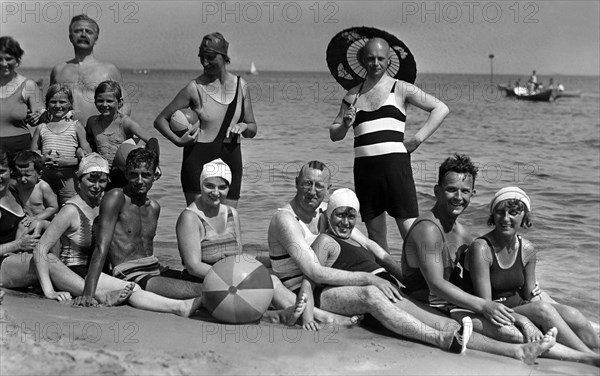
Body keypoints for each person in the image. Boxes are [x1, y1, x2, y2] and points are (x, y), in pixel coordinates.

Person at [268, 160, 557, 363]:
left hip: (337, 284)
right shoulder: (286, 219)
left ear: (327, 190)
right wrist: (372, 278)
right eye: (307, 183)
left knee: (436, 317)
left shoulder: (328, 213)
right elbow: (311, 270)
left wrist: (403, 278)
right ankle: (444, 341)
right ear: (296, 183)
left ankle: (522, 351)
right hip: (309, 290)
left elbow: (372, 246)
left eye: (320, 185)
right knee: (378, 297)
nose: (313, 190)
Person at [400, 154, 599, 366]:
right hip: (435, 308)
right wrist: (486, 306)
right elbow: (436, 285)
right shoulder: (428, 230)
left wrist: (528, 285)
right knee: (525, 325)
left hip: (460, 302)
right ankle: (588, 358)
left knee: (570, 315)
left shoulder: (461, 231)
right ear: (437, 191)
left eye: (465, 191)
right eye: (451, 189)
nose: (458, 197)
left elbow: (487, 261)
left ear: (473, 194)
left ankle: (591, 346)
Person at [329, 37, 449, 252]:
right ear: (363, 60)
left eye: (380, 58)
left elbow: (440, 108)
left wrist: (417, 139)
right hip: (365, 171)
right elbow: (334, 134)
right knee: (375, 234)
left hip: (396, 167)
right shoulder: (352, 96)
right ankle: (388, 280)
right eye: (370, 58)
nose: (375, 63)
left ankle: (422, 280)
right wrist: (346, 124)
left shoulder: (401, 88)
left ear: (388, 60)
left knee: (410, 230)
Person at [461, 187, 599, 352]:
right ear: (493, 215)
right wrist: (523, 320)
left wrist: (538, 293)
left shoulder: (527, 249)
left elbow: (528, 295)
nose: (505, 219)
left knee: (573, 315)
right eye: (500, 212)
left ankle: (595, 347)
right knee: (543, 309)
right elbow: (487, 305)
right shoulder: (481, 248)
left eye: (513, 212)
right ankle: (589, 356)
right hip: (495, 310)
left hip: (521, 304)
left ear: (524, 215)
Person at [154, 32, 257, 208]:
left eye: (210, 57)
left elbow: (252, 129)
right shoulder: (194, 88)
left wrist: (243, 125)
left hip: (231, 158)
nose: (204, 62)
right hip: (197, 158)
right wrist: (178, 141)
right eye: (202, 57)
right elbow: (160, 120)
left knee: (228, 222)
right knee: (197, 221)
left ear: (224, 57)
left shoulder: (241, 86)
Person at [50, 15, 130, 128]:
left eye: (88, 31)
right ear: (70, 37)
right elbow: (50, 103)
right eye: (78, 31)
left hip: (99, 137)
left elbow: (125, 106)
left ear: (96, 38)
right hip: (66, 138)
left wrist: (109, 132)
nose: (83, 34)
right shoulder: (59, 70)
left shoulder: (109, 70)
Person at [86, 80, 159, 190]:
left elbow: (152, 140)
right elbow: (87, 141)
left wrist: (154, 165)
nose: (104, 105)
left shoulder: (125, 122)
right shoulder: (92, 122)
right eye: (100, 100)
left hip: (123, 173)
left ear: (120, 102)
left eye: (109, 101)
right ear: (95, 101)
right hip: (102, 173)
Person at [31, 83, 92, 205]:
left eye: (62, 102)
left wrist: (68, 162)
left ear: (70, 103)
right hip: (46, 179)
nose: (58, 106)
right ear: (47, 104)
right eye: (53, 102)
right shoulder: (41, 128)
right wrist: (41, 159)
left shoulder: (76, 126)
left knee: (70, 207)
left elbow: (89, 156)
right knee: (48, 208)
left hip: (69, 180)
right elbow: (32, 154)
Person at [0, 36, 45, 153]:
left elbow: (41, 117)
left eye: (8, 59)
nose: (4, 63)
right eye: (0, 59)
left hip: (21, 150)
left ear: (17, 60)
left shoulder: (29, 85)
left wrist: (37, 117)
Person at [11, 150, 58, 223]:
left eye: (27, 175)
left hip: (46, 221)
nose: (22, 179)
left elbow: (53, 207)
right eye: (19, 175)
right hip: (27, 221)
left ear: (39, 174)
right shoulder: (18, 186)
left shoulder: (43, 187)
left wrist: (36, 218)